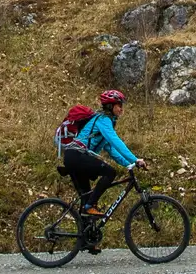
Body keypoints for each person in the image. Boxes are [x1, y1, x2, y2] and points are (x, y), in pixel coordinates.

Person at [62, 89, 148, 222]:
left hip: (74, 157)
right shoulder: (103, 120)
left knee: (86, 203)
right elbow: (116, 141)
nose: (121, 109)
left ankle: (85, 240)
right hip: (76, 156)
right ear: (110, 106)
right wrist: (135, 159)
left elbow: (111, 150)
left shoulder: (103, 121)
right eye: (119, 105)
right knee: (110, 172)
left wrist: (129, 164)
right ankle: (89, 206)